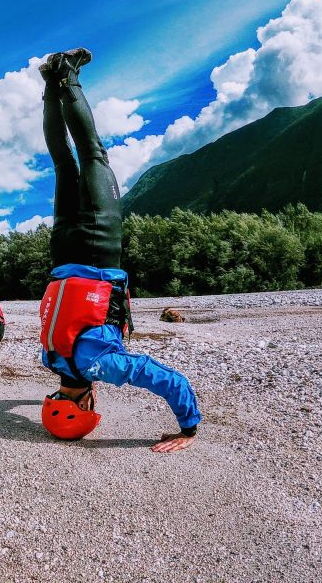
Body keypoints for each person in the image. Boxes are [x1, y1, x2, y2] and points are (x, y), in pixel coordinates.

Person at [36, 47, 201, 453]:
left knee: (93, 154)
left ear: (89, 402)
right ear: (55, 398)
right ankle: (50, 84)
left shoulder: (100, 366)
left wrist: (188, 428)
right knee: (62, 163)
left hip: (97, 247)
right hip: (61, 253)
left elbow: (169, 380)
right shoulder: (50, 360)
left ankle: (69, 75)